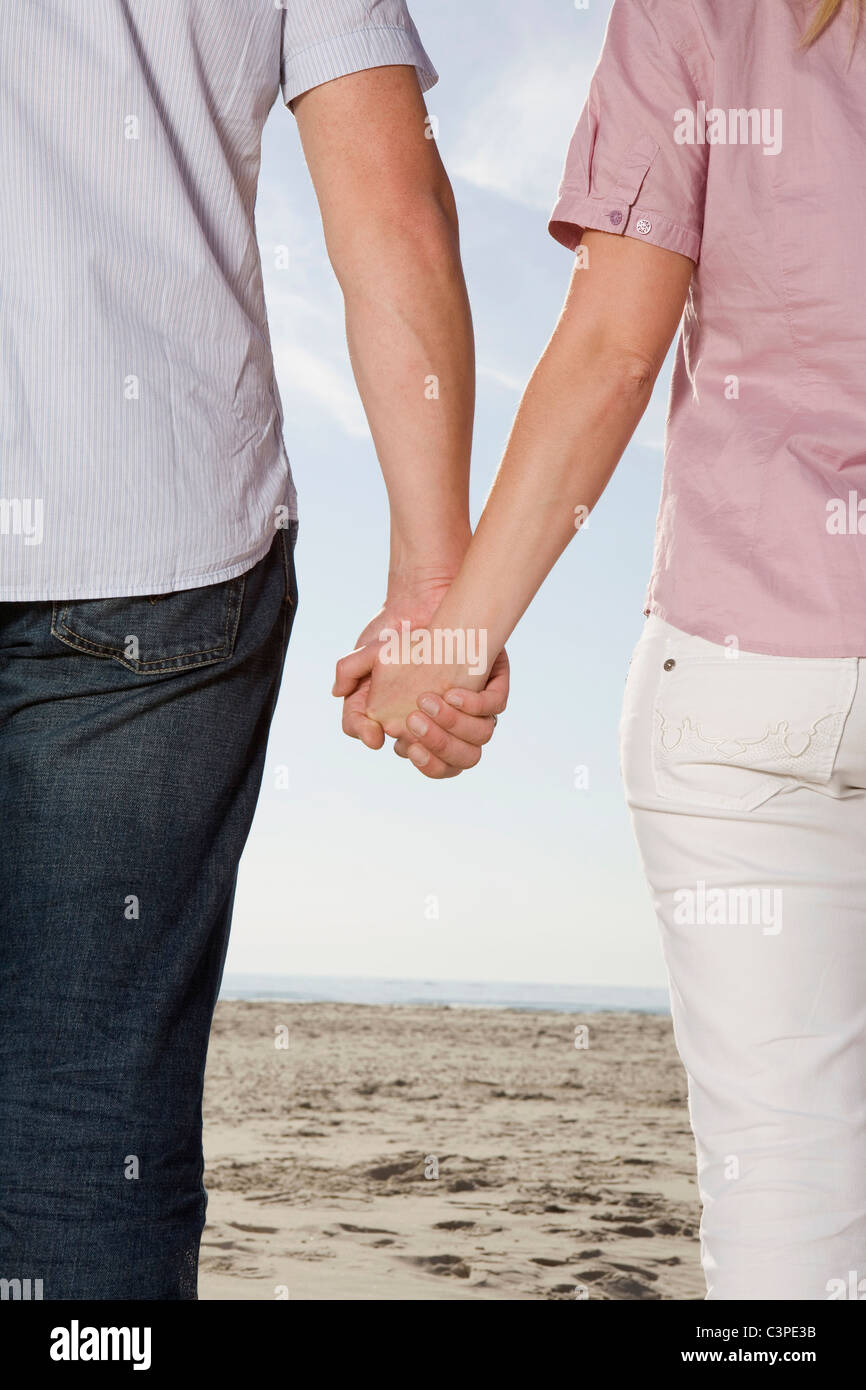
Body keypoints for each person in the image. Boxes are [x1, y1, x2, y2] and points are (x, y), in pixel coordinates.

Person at [359, 0, 866, 1299]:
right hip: (745, 705)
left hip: (744, 688)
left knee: (784, 1234)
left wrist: (451, 634)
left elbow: (608, 351)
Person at [0, 0, 505, 1300]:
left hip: (155, 564)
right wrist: (434, 589)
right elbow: (389, 201)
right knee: (91, 1126)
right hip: (148, 551)